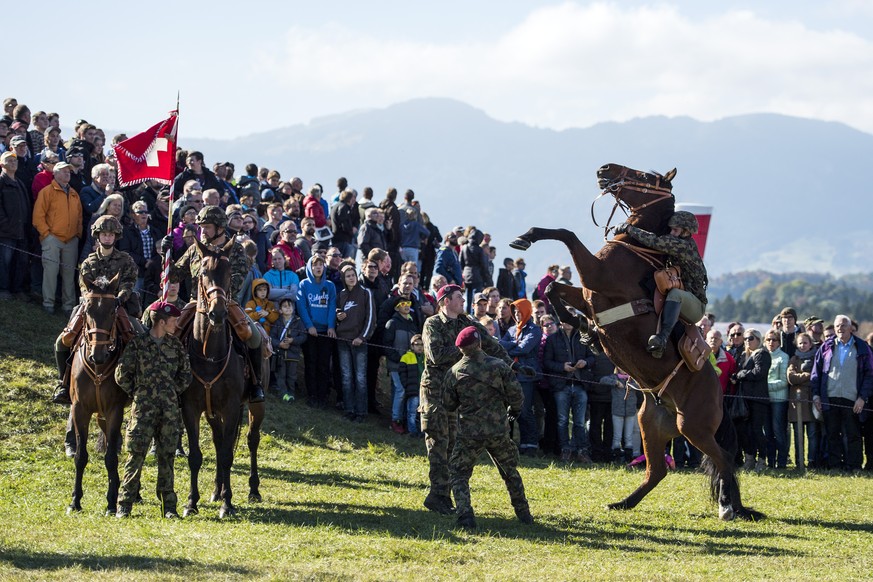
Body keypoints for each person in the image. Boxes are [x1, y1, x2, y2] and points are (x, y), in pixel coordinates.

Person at [420, 284, 516, 515]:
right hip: (436, 393)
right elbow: (437, 356)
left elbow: (492, 346)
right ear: (445, 301)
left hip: (458, 394)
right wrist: (467, 347)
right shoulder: (432, 324)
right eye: (458, 297)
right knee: (438, 444)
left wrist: (510, 367)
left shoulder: (468, 323)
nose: (463, 301)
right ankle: (438, 495)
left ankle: (446, 496)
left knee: (454, 446)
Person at [165, 205, 264, 403]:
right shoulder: (195, 249)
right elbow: (175, 274)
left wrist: (219, 296)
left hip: (226, 302)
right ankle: (168, 381)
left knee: (253, 338)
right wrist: (166, 253)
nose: (203, 231)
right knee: (171, 334)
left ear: (220, 227)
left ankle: (255, 384)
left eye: (207, 227)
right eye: (201, 227)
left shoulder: (236, 250)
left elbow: (237, 280)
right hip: (196, 303)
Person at [443, 326, 534, 531]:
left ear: (461, 349)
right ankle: (524, 514)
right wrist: (513, 412)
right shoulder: (499, 365)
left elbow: (448, 404)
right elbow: (517, 395)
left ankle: (465, 514)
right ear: (480, 343)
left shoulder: (454, 372)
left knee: (458, 472)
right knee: (510, 471)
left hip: (469, 433)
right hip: (498, 430)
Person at [52, 215, 140, 404]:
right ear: (97, 236)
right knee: (62, 341)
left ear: (116, 237)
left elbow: (128, 283)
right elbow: (84, 286)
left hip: (118, 306)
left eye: (111, 235)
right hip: (91, 308)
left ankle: (141, 385)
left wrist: (119, 298)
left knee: (140, 336)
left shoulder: (126, 260)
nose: (107, 238)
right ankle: (63, 383)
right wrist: (90, 300)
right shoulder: (88, 262)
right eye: (104, 234)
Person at [115, 301, 191, 519]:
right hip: (143, 410)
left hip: (168, 411)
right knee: (135, 456)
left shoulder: (175, 346)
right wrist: (139, 392)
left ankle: (168, 507)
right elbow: (121, 375)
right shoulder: (138, 344)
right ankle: (125, 505)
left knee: (167, 456)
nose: (176, 325)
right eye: (173, 321)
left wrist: (170, 391)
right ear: (161, 321)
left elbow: (186, 375)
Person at [614, 211, 707, 358]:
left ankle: (662, 339)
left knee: (675, 294)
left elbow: (655, 241)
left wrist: (629, 229)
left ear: (686, 231)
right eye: (671, 229)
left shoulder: (684, 246)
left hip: (696, 307)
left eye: (675, 230)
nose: (671, 233)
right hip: (685, 298)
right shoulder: (679, 243)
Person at [810, 314, 873, 471]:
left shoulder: (862, 347)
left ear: (851, 328)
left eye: (844, 325)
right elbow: (816, 373)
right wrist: (816, 395)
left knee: (853, 434)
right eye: (837, 325)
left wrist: (862, 398)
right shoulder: (826, 347)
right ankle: (835, 465)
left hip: (853, 399)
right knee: (832, 434)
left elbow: (869, 375)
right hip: (830, 398)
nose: (840, 328)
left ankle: (854, 465)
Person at [32, 161, 82, 313]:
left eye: (69, 171)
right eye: (64, 171)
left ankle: (68, 307)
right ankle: (48, 304)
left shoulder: (74, 194)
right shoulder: (47, 191)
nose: (68, 174)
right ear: (56, 173)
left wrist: (77, 235)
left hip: (71, 240)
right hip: (52, 238)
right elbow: (38, 216)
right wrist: (46, 235)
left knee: (69, 275)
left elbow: (79, 217)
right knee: (50, 273)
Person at [543, 320, 595, 463]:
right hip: (561, 385)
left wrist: (585, 362)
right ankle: (565, 450)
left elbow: (592, 357)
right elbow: (546, 362)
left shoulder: (583, 338)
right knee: (562, 421)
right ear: (560, 321)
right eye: (564, 318)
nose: (568, 321)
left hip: (580, 383)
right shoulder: (552, 339)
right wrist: (562, 367)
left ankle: (582, 451)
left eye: (570, 318)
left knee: (579, 421)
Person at [499, 298, 543, 456]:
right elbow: (500, 347)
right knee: (513, 410)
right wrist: (515, 343)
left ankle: (530, 444)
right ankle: (517, 443)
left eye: (519, 312)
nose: (517, 315)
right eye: (515, 312)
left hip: (526, 376)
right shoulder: (511, 330)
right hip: (511, 374)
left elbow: (524, 349)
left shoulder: (535, 329)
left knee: (525, 410)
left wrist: (511, 346)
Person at [335, 264, 376, 422]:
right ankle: (349, 410)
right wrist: (337, 315)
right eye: (348, 276)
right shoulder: (342, 294)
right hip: (343, 340)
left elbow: (371, 318)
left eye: (353, 275)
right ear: (344, 279)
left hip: (359, 341)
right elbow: (337, 310)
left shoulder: (366, 293)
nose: (351, 278)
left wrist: (362, 337)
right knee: (346, 377)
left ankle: (361, 412)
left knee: (360, 378)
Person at [296, 255, 337, 408]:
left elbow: (332, 306)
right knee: (311, 362)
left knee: (324, 364)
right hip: (311, 331)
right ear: (310, 267)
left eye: (321, 264)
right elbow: (302, 307)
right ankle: (312, 395)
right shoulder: (304, 285)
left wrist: (331, 326)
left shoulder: (330, 286)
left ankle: (323, 396)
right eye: (315, 265)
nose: (318, 267)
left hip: (326, 332)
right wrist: (309, 326)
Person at [731, 329, 771, 472]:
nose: (748, 340)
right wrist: (736, 376)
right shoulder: (743, 355)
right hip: (745, 399)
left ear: (759, 340)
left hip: (758, 399)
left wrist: (742, 374)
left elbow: (760, 372)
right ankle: (749, 458)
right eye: (746, 338)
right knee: (744, 430)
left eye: (751, 338)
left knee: (756, 430)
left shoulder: (763, 354)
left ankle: (762, 459)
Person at [385, 296, 421, 434]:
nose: (406, 306)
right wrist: (397, 359)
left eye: (408, 303)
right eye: (403, 303)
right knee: (400, 390)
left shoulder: (412, 324)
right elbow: (386, 345)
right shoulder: (392, 323)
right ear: (397, 307)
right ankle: (396, 420)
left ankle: (405, 420)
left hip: (410, 365)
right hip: (395, 364)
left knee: (406, 392)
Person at [787, 332, 821, 469]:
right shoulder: (794, 359)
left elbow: (817, 377)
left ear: (810, 344)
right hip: (797, 402)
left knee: (812, 434)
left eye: (805, 343)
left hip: (812, 400)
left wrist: (802, 378)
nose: (802, 345)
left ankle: (812, 461)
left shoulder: (816, 358)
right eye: (800, 343)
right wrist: (807, 375)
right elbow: (791, 378)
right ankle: (799, 462)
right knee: (798, 435)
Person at [0, 151, 30, 300]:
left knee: (21, 261)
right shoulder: (1, 181)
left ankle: (17, 289)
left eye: (15, 160)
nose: (13, 162)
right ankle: (3, 289)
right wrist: (4, 224)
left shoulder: (20, 183)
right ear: (2, 164)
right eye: (9, 160)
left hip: (21, 230)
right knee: (4, 261)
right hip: (6, 231)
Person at [270, 297, 308, 402]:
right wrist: (279, 344)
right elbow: (272, 337)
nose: (288, 308)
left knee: (291, 376)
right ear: (280, 310)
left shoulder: (298, 322)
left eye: (290, 306)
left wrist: (292, 340)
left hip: (293, 355)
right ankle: (283, 394)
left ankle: (291, 393)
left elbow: (303, 336)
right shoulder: (277, 322)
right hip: (280, 354)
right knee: (281, 375)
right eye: (285, 307)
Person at [764, 328, 790, 469]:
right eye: (768, 339)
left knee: (778, 431)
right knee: (767, 432)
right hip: (765, 401)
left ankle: (782, 462)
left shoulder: (783, 357)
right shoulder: (763, 355)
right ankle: (770, 461)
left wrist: (764, 387)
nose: (771, 342)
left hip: (779, 400)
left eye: (774, 339)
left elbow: (783, 381)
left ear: (779, 342)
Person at [398, 334, 426, 437]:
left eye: (422, 344)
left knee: (424, 412)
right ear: (412, 346)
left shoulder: (426, 357)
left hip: (424, 389)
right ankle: (412, 431)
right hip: (413, 389)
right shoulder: (406, 357)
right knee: (412, 412)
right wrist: (406, 385)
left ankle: (423, 431)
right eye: (417, 344)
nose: (419, 347)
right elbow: (402, 373)